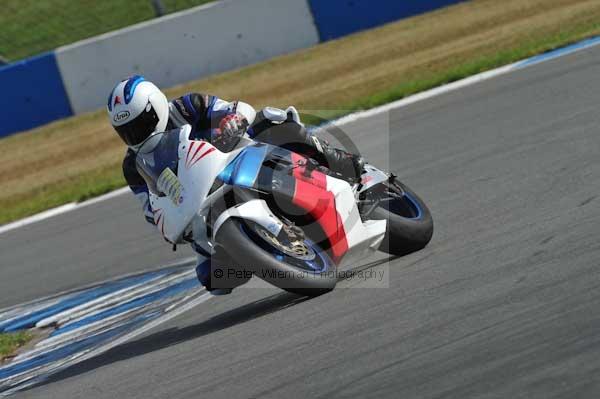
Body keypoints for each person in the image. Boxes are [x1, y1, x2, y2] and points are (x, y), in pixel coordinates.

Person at [107, 75, 363, 294]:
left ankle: (345, 165)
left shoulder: (187, 107)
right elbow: (150, 206)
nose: (135, 135)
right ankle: (264, 251)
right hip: (201, 207)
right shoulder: (133, 167)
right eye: (126, 131)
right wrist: (162, 216)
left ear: (157, 107)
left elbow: (236, 109)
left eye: (140, 124)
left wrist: (231, 120)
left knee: (275, 123)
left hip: (239, 158)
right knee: (213, 277)